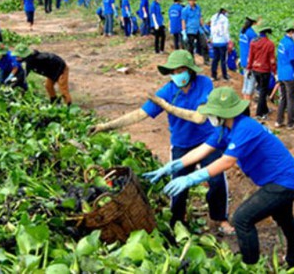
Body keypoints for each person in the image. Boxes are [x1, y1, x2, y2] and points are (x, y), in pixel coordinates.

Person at [145, 87, 294, 268]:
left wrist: (191, 178)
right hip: (279, 180)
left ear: (223, 113)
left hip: (285, 182)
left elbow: (226, 162)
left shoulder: (245, 128)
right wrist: (175, 165)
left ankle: (250, 265)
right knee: (284, 218)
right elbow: (203, 149)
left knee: (242, 219)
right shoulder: (224, 129)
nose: (209, 117)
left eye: (212, 113)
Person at [90, 50, 233, 234]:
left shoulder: (204, 84)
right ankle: (177, 221)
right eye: (172, 72)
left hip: (208, 140)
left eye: (180, 70)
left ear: (190, 70)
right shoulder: (166, 91)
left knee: (217, 180)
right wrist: (105, 126)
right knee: (178, 184)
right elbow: (139, 114)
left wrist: (166, 107)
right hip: (181, 143)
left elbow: (199, 118)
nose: (176, 75)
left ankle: (220, 219)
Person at [247, 22, 276, 120]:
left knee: (261, 89)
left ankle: (265, 110)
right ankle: (259, 113)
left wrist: (249, 68)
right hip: (265, 70)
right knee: (263, 91)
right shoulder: (270, 44)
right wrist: (275, 72)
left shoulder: (253, 42)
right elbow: (272, 60)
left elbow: (251, 56)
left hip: (255, 69)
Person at [276, 21, 294, 130]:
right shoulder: (291, 44)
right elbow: (293, 60)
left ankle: (279, 121)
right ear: (291, 32)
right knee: (291, 99)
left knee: (283, 98)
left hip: (281, 73)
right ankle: (290, 123)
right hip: (289, 74)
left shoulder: (282, 42)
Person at [182, 0, 208, 64]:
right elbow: (183, 21)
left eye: (193, 0)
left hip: (198, 29)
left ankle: (206, 60)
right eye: (190, 0)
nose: (192, 2)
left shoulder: (198, 8)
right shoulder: (185, 10)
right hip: (190, 30)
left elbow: (200, 17)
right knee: (190, 47)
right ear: (188, 1)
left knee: (204, 44)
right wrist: (184, 31)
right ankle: (191, 62)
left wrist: (204, 27)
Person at [239, 15, 258, 101]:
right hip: (250, 61)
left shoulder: (242, 32)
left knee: (246, 81)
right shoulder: (252, 34)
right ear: (254, 23)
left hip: (243, 59)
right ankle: (248, 104)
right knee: (250, 83)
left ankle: (244, 101)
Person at [210, 4, 230, 81]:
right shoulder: (225, 19)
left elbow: (211, 29)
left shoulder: (213, 17)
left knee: (215, 59)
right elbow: (225, 31)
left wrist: (211, 38)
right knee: (223, 60)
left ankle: (213, 75)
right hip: (222, 42)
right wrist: (228, 41)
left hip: (215, 41)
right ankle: (224, 76)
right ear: (224, 11)